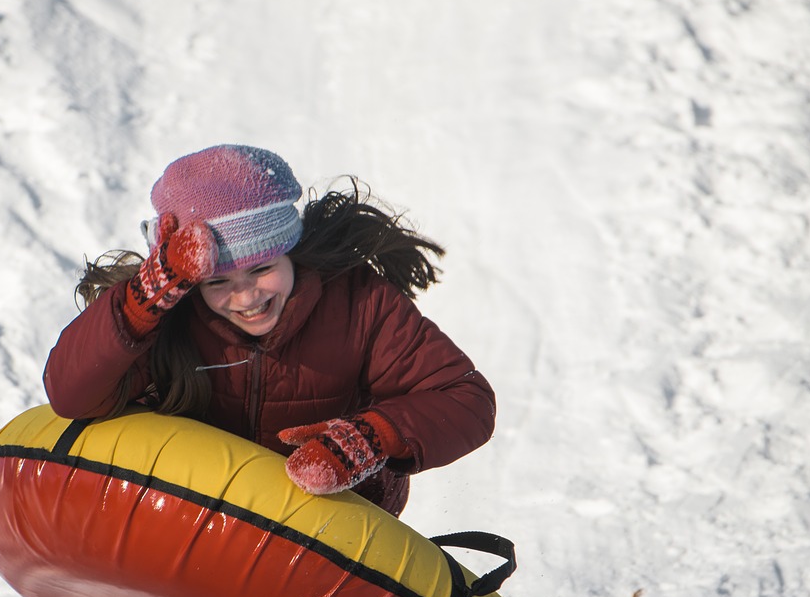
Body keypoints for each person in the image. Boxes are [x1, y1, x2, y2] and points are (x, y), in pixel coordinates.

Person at [43, 144, 495, 518]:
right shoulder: (169, 315)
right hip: (191, 513)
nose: (245, 297)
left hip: (330, 527)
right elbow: (71, 395)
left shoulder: (358, 304)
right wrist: (140, 303)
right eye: (217, 282)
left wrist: (370, 439)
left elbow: (464, 396)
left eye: (261, 269)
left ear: (290, 253)